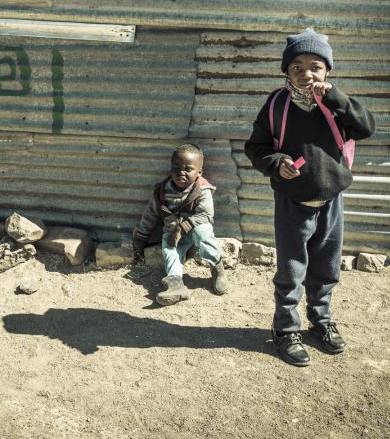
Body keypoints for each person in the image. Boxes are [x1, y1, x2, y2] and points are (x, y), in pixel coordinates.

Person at [244, 28, 375, 366]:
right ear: (286, 71)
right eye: (297, 67)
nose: (306, 74)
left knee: (326, 266)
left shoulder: (335, 104)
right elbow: (255, 147)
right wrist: (276, 164)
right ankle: (286, 329)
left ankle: (321, 321)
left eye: (315, 66)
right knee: (291, 269)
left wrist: (336, 99)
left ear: (327, 70)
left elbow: (366, 128)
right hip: (292, 202)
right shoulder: (276, 105)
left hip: (331, 200)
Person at [133, 143, 229, 306]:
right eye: (176, 168)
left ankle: (217, 268)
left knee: (204, 233)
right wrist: (140, 239)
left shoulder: (202, 189)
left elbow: (206, 215)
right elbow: (150, 216)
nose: (181, 173)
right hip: (174, 233)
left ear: (199, 172)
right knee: (169, 248)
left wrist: (182, 227)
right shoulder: (162, 191)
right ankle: (176, 284)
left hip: (196, 229)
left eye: (188, 169)